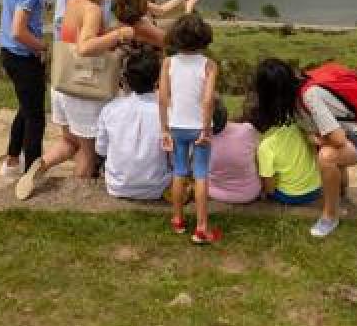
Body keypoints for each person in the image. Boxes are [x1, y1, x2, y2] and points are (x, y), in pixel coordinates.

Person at [16, 0, 134, 199]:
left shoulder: (74, 0)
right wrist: (119, 35)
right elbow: (85, 47)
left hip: (63, 82)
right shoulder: (93, 10)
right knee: (87, 155)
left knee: (70, 141)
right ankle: (77, 198)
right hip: (83, 90)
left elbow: (75, 36)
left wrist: (108, 32)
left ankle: (42, 164)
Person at [253, 57, 357, 238]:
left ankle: (330, 216)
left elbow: (339, 140)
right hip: (341, 135)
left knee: (327, 157)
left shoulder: (309, 96)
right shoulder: (294, 98)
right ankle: (341, 193)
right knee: (328, 153)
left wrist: (315, 140)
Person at [0, 0, 66, 177]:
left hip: (12, 54)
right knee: (36, 118)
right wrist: (43, 47)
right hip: (23, 56)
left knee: (26, 108)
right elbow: (18, 30)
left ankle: (12, 161)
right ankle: (31, 175)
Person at [159, 13, 220, 244]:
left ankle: (177, 219)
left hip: (176, 125)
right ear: (204, 38)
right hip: (199, 127)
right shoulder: (209, 65)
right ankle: (202, 227)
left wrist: (164, 128)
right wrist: (205, 129)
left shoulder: (168, 62)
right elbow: (208, 101)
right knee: (201, 173)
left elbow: (163, 98)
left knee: (179, 171)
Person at [94, 46, 170, 200]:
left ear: (126, 79)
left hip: (117, 185)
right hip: (157, 186)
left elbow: (100, 150)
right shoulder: (168, 112)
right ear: (157, 80)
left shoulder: (110, 109)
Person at [251, 61, 322, 206]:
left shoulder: (265, 146)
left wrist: (266, 190)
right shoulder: (299, 124)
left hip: (291, 196)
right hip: (317, 188)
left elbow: (270, 189)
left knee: (265, 177)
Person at [111, 0, 201, 48]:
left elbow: (160, 10)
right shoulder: (141, 25)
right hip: (147, 58)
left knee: (174, 23)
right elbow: (173, 43)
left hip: (144, 40)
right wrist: (188, 9)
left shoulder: (126, 5)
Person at [207, 96, 261, 204]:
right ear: (225, 113)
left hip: (214, 193)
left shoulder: (200, 143)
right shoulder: (248, 130)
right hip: (250, 193)